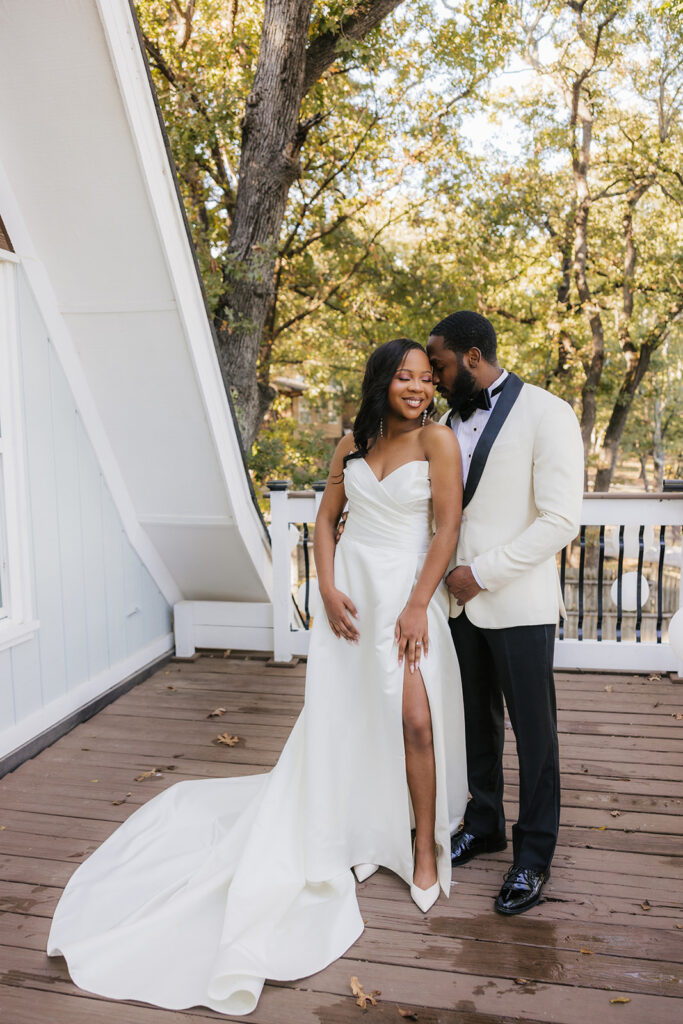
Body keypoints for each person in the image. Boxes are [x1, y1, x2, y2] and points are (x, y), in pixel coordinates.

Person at [47, 338, 468, 1017]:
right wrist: (325, 591)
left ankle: (422, 847)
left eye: (424, 378)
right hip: (352, 597)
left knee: (414, 722)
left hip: (405, 596)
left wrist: (419, 603)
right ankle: (358, 828)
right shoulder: (349, 443)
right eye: (403, 377)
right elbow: (326, 524)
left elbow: (445, 530)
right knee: (347, 720)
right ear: (381, 383)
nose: (416, 388)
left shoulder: (438, 442)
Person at [427, 311, 584, 916]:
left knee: (535, 736)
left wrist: (481, 573)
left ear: (471, 357)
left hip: (516, 603)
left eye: (439, 365)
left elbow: (559, 520)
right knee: (475, 725)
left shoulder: (549, 412)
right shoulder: (445, 421)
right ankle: (484, 822)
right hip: (457, 607)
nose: (435, 379)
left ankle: (534, 856)